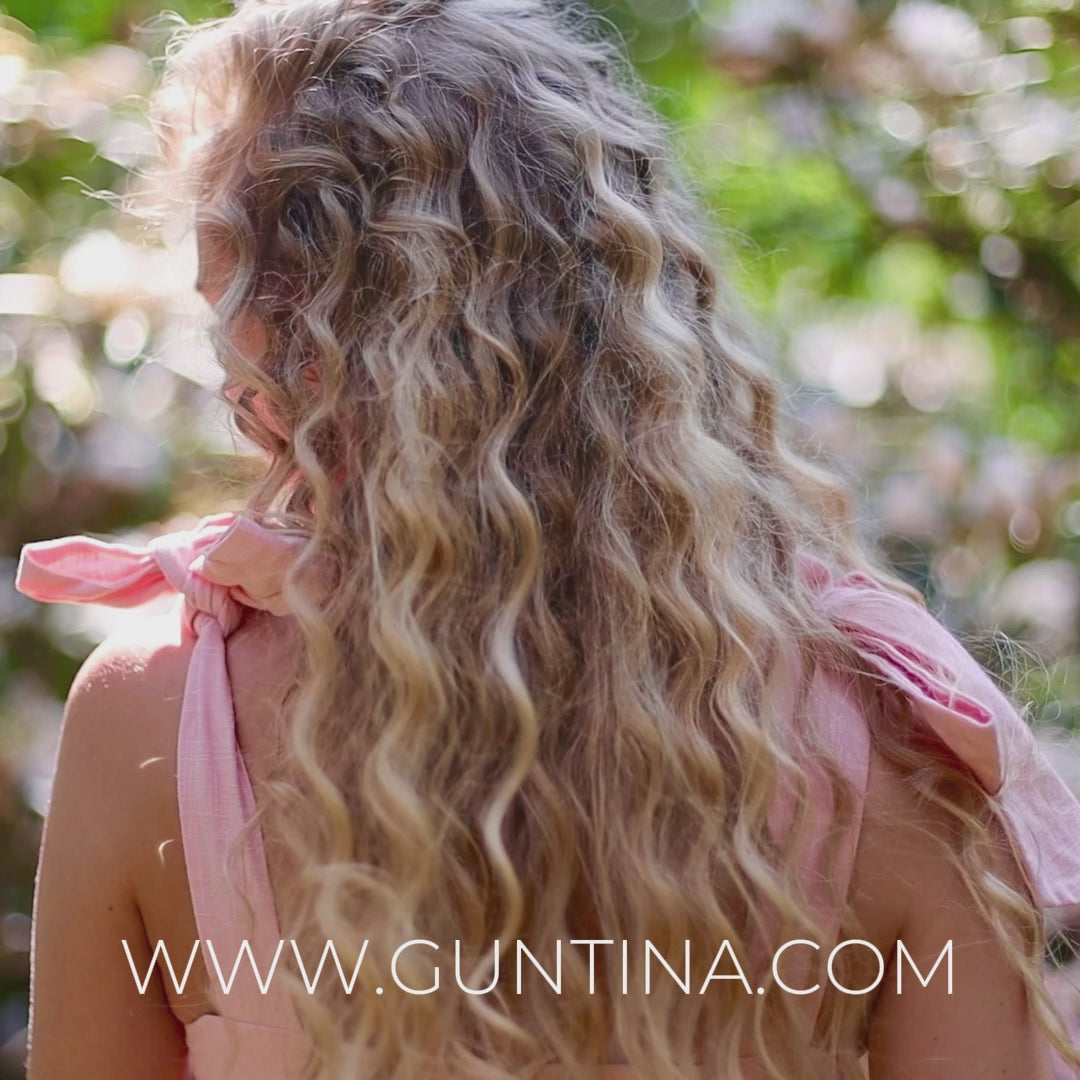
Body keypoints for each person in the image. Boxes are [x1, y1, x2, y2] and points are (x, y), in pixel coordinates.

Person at [14, 1, 1080, 1078]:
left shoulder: (157, 719)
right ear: (632, 290)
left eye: (222, 298)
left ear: (295, 343)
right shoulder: (886, 737)